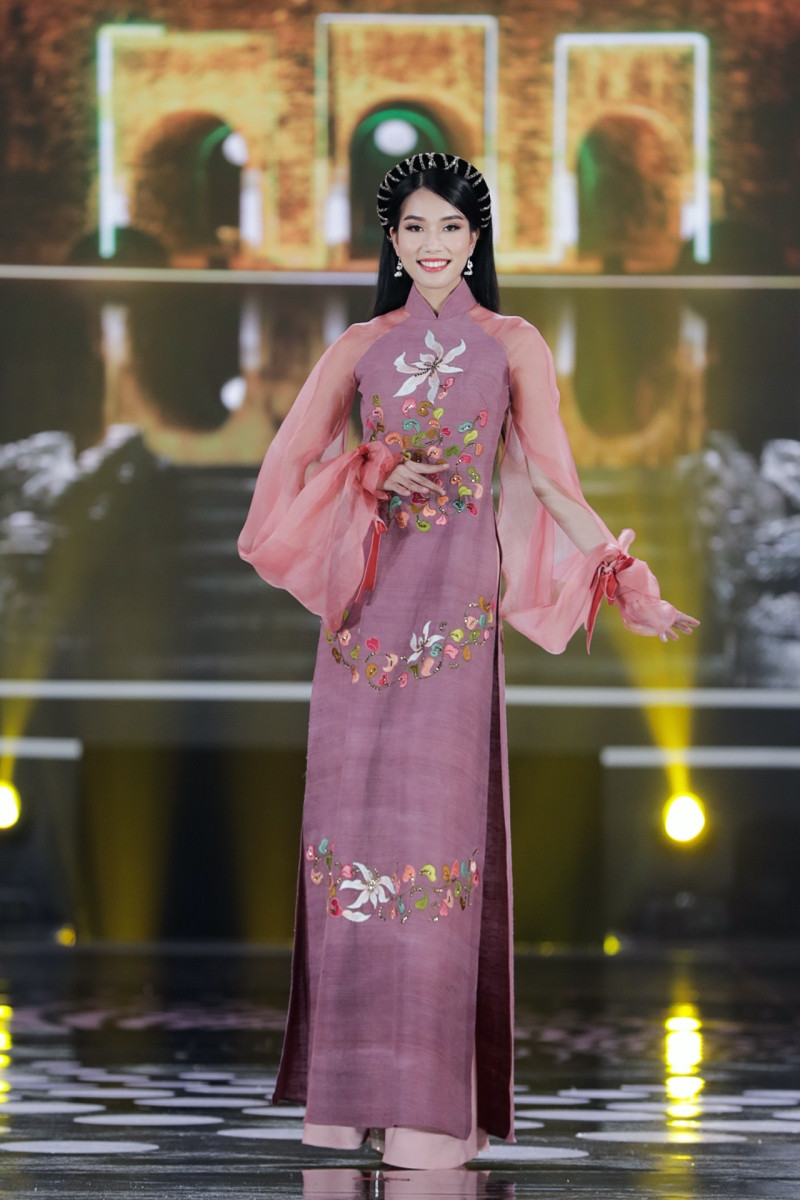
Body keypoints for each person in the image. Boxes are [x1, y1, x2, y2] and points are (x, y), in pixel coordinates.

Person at [238, 151, 697, 1170]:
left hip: (454, 620)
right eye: (413, 228)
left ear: (476, 238)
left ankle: (429, 1112)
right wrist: (368, 468)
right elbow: (285, 477)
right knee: (349, 847)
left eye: (449, 227)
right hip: (363, 626)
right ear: (392, 241)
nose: (432, 245)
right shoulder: (359, 346)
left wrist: (629, 582)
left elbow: (554, 482)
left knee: (438, 853)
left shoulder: (511, 343)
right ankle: (345, 1101)